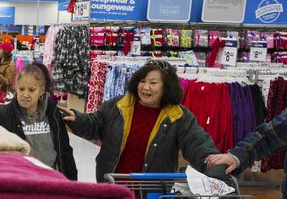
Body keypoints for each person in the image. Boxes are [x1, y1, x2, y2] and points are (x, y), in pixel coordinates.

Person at [58, 61, 224, 182]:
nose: (145, 87)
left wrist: (212, 160)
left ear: (167, 87)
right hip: (113, 183)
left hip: (151, 190)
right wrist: (77, 119)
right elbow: (96, 124)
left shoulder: (178, 115)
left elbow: (196, 141)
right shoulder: (119, 105)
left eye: (153, 83)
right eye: (142, 81)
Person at [0, 63, 77, 180]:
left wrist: (71, 183)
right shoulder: (2, 116)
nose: (25, 94)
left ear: (41, 90)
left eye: (31, 90)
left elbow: (64, 149)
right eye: (21, 89)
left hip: (52, 181)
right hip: (20, 183)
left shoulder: (53, 112)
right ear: (16, 87)